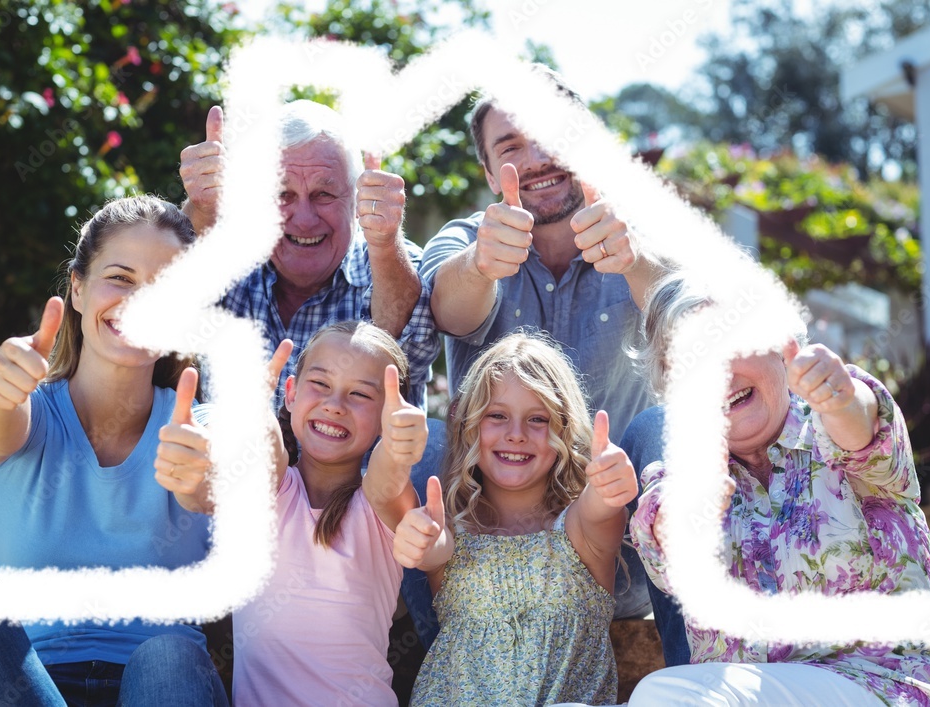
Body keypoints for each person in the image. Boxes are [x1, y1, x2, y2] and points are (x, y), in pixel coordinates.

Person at [411, 66, 687, 662]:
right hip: (485, 563)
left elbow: (694, 311)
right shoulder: (465, 241)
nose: (536, 157)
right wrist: (483, 265)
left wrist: (636, 263)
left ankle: (697, 674)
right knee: (422, 444)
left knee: (660, 430)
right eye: (511, 147)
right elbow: (448, 310)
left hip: (620, 562)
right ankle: (451, 675)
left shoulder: (646, 236)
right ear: (489, 174)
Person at [627, 271, 930, 705]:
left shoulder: (832, 425)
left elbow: (861, 423)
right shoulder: (677, 473)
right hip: (745, 695)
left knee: (663, 694)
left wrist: (841, 401)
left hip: (885, 688)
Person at [0, 196, 228, 706]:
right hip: (25, 687)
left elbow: (222, 482)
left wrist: (202, 481)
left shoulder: (200, 424)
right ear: (78, 289)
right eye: (121, 278)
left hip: (159, 689)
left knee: (168, 653)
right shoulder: (24, 404)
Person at [183, 321, 426, 706]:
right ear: (291, 394)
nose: (334, 404)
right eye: (321, 385)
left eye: (360, 394)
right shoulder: (269, 489)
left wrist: (401, 447)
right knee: (168, 654)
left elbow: (388, 473)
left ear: (387, 417)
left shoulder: (380, 503)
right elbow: (268, 452)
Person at [394, 332, 638, 706]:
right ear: (469, 425)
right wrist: (419, 538)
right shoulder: (453, 531)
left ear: (565, 430)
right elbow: (434, 548)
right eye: (497, 416)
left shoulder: (579, 533)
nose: (516, 434)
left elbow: (599, 508)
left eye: (537, 419)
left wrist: (609, 483)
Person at [179, 100, 439, 409]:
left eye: (324, 195)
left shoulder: (395, 264)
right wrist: (202, 208)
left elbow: (403, 346)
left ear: (358, 200)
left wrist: (384, 243)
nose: (304, 219)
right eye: (282, 194)